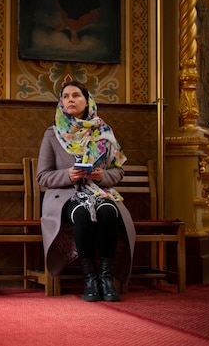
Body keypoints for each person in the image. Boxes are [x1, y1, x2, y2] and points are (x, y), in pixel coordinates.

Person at [36, 81, 135, 302]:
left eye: (76, 95)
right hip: (65, 196)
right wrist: (68, 175)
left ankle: (105, 278)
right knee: (82, 214)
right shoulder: (52, 134)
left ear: (87, 100)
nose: (70, 99)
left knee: (108, 213)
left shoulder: (104, 132)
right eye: (66, 96)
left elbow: (118, 171)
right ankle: (89, 278)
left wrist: (102, 176)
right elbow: (42, 176)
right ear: (61, 102)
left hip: (101, 191)